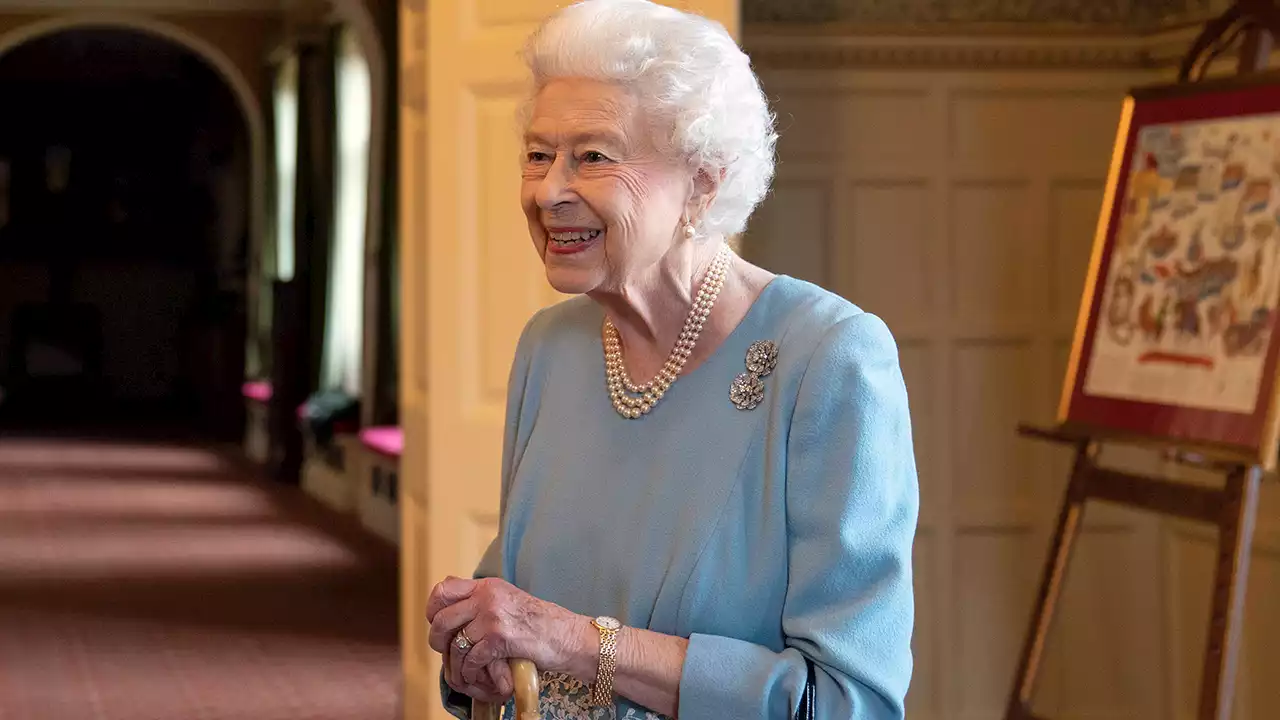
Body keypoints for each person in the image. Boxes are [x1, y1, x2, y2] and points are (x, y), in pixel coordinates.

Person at [425, 1, 919, 717]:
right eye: (538, 154)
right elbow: (517, 607)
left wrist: (576, 641)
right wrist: (477, 652)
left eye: (593, 156)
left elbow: (847, 702)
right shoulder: (549, 348)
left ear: (704, 182)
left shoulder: (829, 359)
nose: (548, 191)